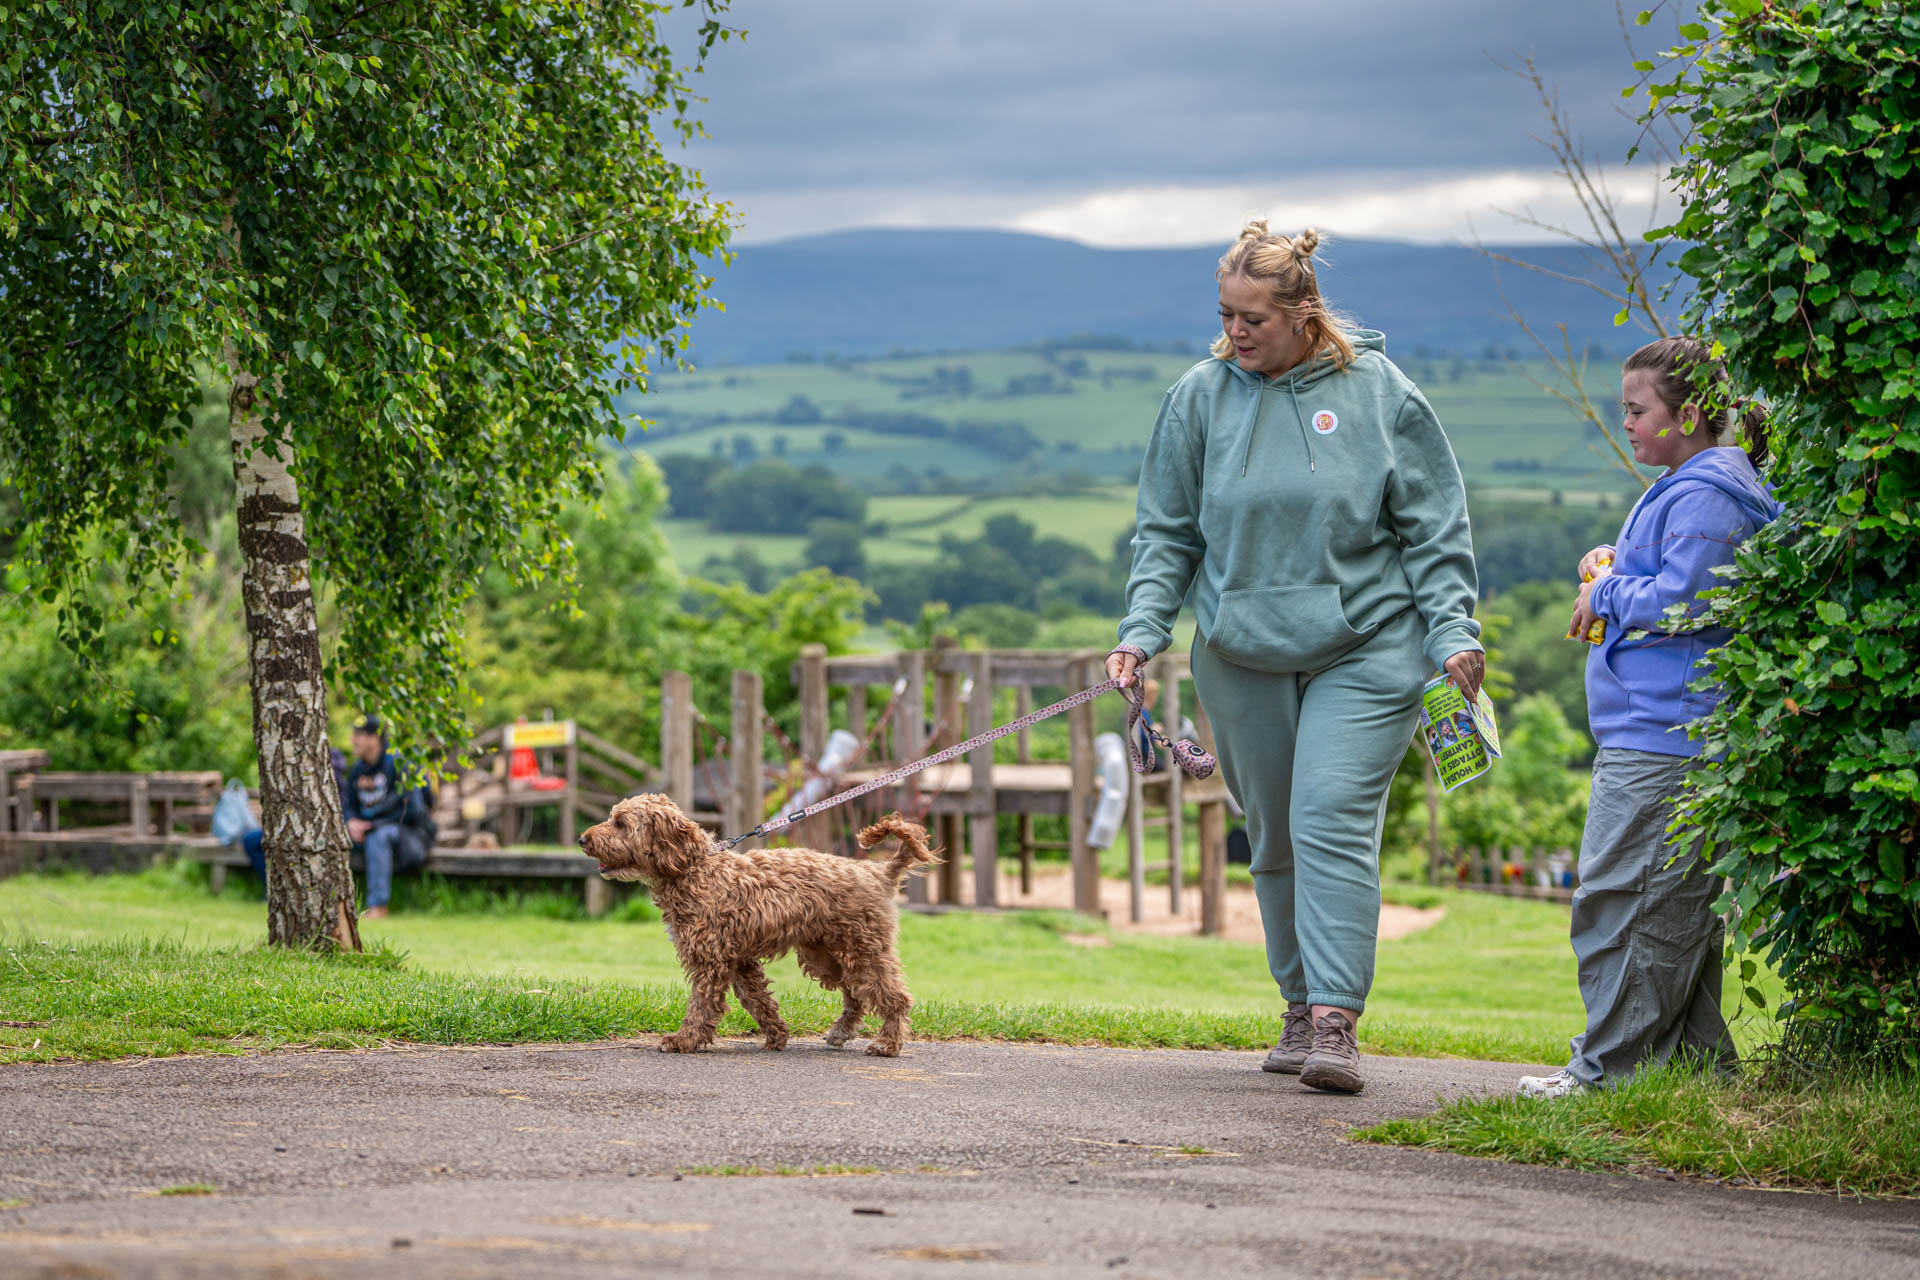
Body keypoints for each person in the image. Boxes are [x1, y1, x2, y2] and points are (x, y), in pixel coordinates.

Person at [1108, 222, 1484, 1094]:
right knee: (1271, 834)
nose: (1235, 333)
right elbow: (1167, 534)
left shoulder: (1380, 392)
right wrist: (1141, 631)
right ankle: (1297, 1003)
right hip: (1241, 654)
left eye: (1253, 319)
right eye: (1225, 316)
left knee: (1327, 819)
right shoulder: (1199, 398)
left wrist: (1453, 629)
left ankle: (1336, 1021)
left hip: (1369, 646)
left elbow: (1433, 527)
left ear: (1304, 314)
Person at [1518, 336, 1780, 1100]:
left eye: (1637, 410)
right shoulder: (1691, 483)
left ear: (1688, 413)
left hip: (1666, 736)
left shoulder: (1704, 492)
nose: (1626, 422)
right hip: (1663, 730)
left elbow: (1685, 599)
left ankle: (1606, 1075)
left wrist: (1605, 594)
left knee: (1621, 902)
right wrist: (1615, 563)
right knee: (1669, 909)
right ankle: (1700, 1071)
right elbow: (1674, 574)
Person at [342, 715, 437, 920]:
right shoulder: (358, 769)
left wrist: (371, 825)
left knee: (379, 836)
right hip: (369, 832)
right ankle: (333, 904)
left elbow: (413, 810)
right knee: (335, 838)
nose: (353, 740)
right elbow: (348, 805)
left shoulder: (399, 764)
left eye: (358, 735)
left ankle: (378, 906)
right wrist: (351, 822)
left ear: (374, 739)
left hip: (410, 834)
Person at [240, 746, 350, 896]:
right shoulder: (297, 769)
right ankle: (273, 885)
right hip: (290, 828)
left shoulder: (332, 780)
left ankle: (282, 889)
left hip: (313, 833)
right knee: (252, 841)